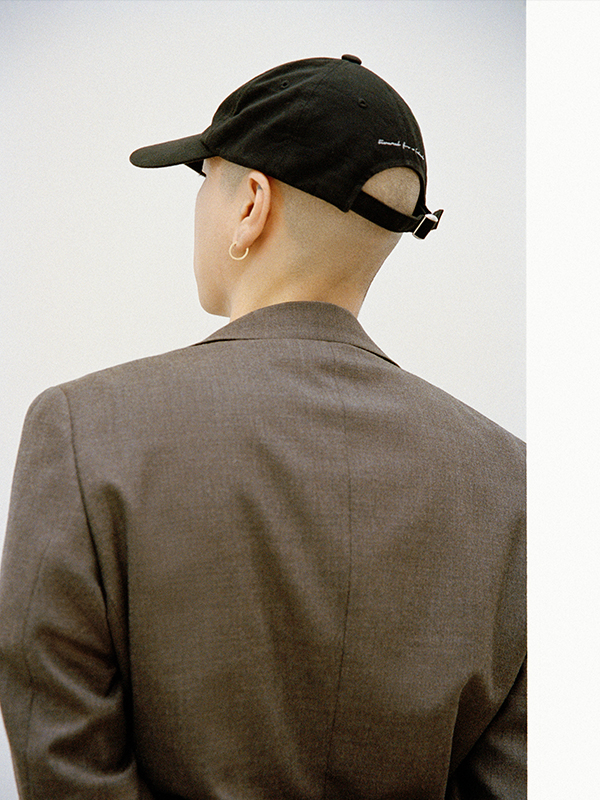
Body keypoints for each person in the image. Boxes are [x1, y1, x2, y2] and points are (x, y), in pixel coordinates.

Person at [0, 55, 525, 799]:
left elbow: (65, 768)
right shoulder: (517, 484)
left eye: (204, 177)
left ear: (251, 202)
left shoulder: (83, 430)